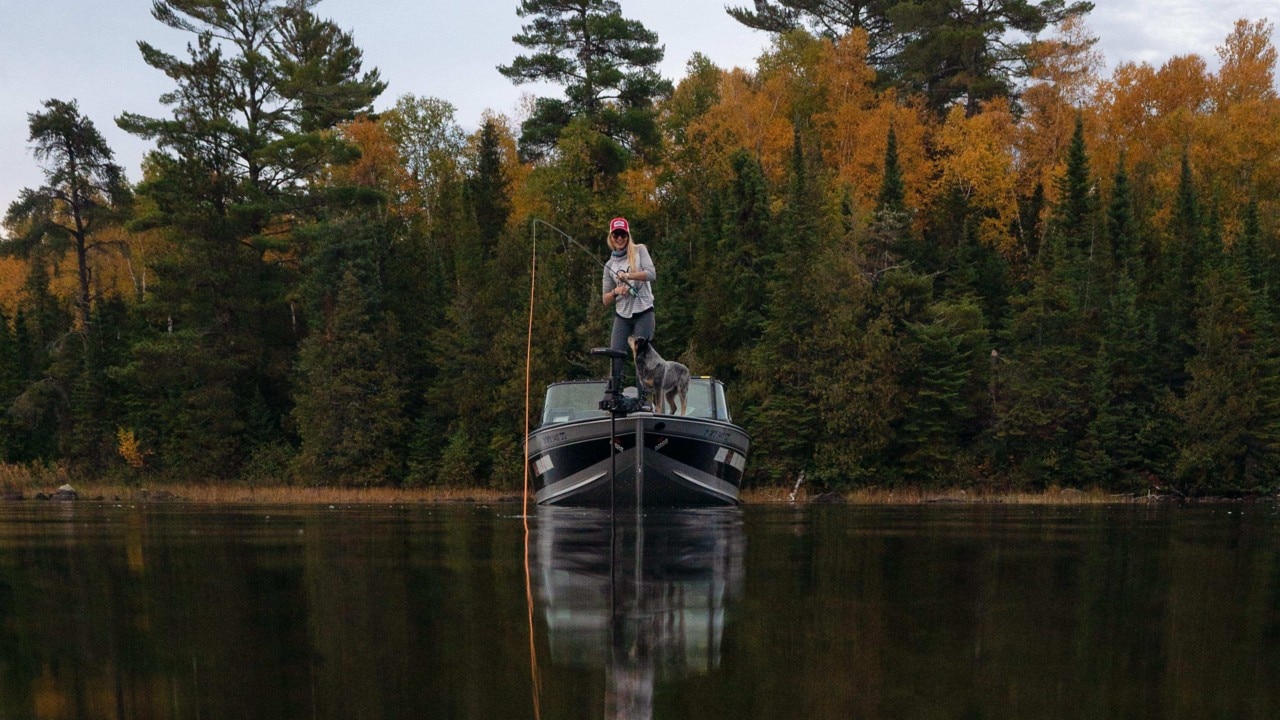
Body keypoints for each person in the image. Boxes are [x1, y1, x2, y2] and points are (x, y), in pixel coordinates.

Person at [601, 216, 656, 381]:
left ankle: (644, 398)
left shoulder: (640, 251)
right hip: (622, 315)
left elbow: (652, 274)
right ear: (611, 237)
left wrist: (629, 275)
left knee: (642, 357)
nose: (619, 238)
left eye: (623, 235)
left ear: (628, 236)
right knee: (616, 354)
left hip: (644, 311)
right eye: (616, 235)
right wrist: (616, 291)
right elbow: (605, 299)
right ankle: (614, 394)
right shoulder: (609, 265)